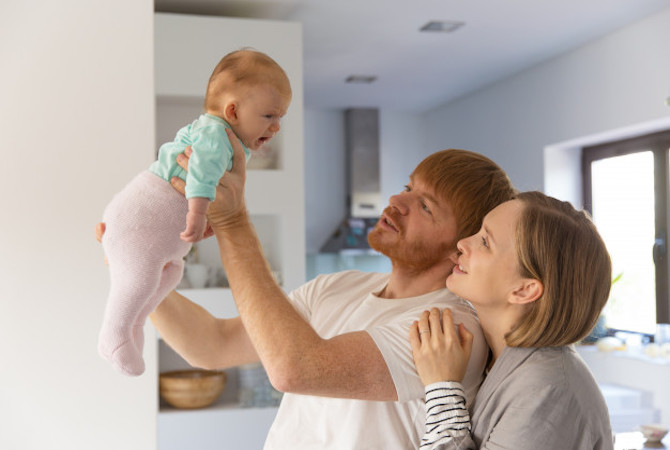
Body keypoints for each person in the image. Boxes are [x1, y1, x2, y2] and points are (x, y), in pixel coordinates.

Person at [137, 139, 518, 449]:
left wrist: (233, 220)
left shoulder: (447, 328)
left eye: (425, 206)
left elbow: (295, 370)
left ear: (460, 248)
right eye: (407, 187)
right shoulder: (337, 286)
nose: (396, 203)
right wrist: (139, 268)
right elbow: (213, 345)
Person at [98, 49, 292, 376]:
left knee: (169, 273)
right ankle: (113, 333)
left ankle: (135, 323)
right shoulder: (216, 133)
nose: (276, 128)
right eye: (269, 116)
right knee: (142, 275)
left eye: (280, 119)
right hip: (141, 216)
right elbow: (200, 173)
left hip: (149, 225)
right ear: (233, 110)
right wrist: (198, 213)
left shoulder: (227, 140)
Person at [409, 191, 614, 449]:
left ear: (524, 290)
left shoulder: (547, 390)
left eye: (485, 242)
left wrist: (443, 390)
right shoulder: (496, 359)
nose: (462, 243)